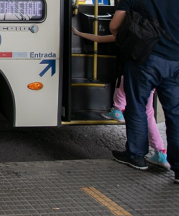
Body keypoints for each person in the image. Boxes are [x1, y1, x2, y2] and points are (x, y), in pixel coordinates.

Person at [108, 0, 179, 186]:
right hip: (178, 64)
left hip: (145, 61)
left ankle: (136, 156)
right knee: (177, 116)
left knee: (137, 106)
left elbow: (114, 26)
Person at [71, 26, 169, 169]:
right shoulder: (158, 35)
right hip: (155, 73)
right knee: (148, 113)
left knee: (123, 85)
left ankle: (118, 110)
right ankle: (160, 152)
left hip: (135, 73)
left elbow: (99, 38)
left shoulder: (127, 34)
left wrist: (78, 32)